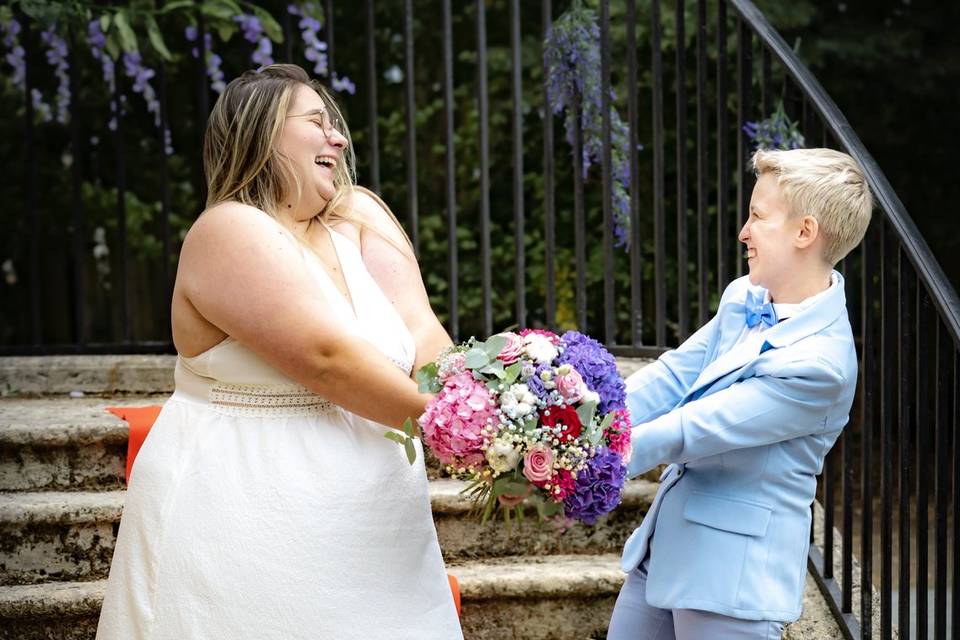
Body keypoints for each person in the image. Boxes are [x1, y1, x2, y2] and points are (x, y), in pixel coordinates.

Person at [96, 64, 462, 639]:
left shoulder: (360, 216)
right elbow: (327, 359)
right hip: (254, 519)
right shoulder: (227, 229)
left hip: (382, 529)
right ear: (265, 133)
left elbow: (422, 331)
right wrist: (456, 428)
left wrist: (488, 407)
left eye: (336, 125)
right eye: (317, 122)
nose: (338, 138)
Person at [607, 148, 873, 639]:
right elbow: (671, 377)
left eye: (756, 216)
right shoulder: (743, 298)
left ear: (804, 232)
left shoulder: (821, 367)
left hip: (731, 583)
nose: (743, 232)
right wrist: (581, 417)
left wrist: (587, 460)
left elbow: (695, 428)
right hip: (663, 550)